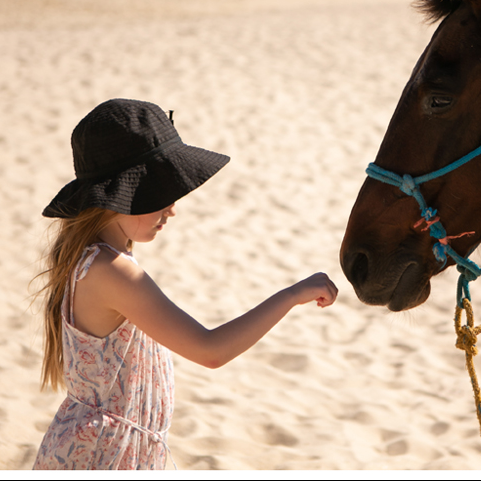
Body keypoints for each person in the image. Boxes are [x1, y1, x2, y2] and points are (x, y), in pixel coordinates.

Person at [31, 98, 337, 470]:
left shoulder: (95, 258)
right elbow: (211, 351)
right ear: (118, 197)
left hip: (103, 447)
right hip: (105, 455)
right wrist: (292, 295)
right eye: (159, 194)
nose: (172, 208)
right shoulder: (111, 271)